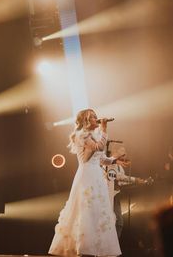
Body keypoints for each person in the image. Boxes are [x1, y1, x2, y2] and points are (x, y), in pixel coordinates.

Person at [48, 109, 128, 257]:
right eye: (93, 118)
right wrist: (104, 129)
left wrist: (115, 160)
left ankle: (97, 248)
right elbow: (98, 148)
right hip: (86, 176)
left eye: (96, 117)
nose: (96, 120)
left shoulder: (94, 136)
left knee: (99, 211)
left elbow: (101, 158)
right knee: (86, 210)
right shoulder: (82, 135)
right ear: (85, 121)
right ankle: (84, 248)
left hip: (97, 175)